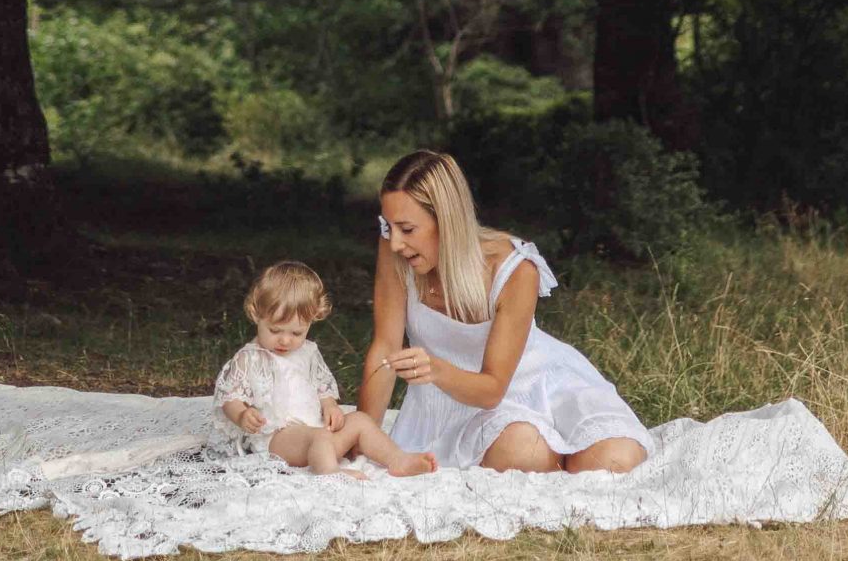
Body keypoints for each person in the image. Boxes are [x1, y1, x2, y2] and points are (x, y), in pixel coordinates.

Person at [359, 147, 651, 473]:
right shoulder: (396, 250)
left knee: (613, 460)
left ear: (448, 220)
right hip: (461, 408)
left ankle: (567, 447)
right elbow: (385, 348)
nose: (396, 242)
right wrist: (361, 437)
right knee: (525, 454)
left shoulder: (515, 268)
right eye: (389, 227)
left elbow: (493, 388)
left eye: (407, 229)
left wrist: (435, 369)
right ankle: (552, 456)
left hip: (528, 385)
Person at [212, 257, 438, 476]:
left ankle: (397, 459)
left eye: (296, 332)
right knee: (318, 439)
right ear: (256, 314)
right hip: (280, 439)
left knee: (360, 420)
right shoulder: (250, 358)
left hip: (317, 432)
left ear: (312, 321)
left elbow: (322, 386)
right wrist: (242, 415)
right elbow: (228, 396)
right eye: (275, 330)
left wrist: (330, 406)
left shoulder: (307, 352)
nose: (285, 340)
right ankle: (331, 473)